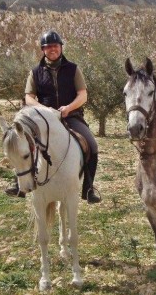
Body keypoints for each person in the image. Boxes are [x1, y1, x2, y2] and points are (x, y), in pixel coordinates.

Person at [6, 30, 101, 204]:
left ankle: (89, 188)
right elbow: (28, 97)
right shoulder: (35, 72)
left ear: (61, 47)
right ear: (43, 49)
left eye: (55, 46)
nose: (52, 49)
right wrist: (45, 110)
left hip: (71, 117)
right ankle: (18, 184)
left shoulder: (73, 69)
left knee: (92, 146)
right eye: (48, 46)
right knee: (22, 144)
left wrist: (68, 108)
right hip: (43, 120)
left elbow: (83, 95)